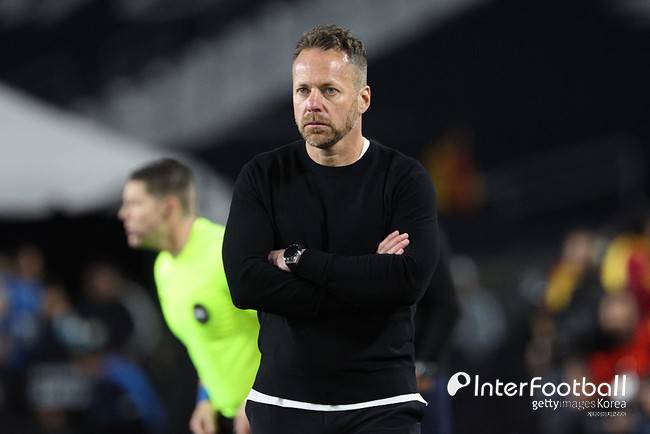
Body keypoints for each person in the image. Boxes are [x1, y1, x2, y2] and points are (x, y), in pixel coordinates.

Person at [222, 24, 439, 434]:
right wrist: (365, 282)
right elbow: (245, 284)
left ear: (363, 98)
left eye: (329, 90)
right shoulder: (262, 175)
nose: (313, 104)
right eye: (303, 90)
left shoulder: (404, 179)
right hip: (282, 404)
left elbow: (407, 281)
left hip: (381, 405)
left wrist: (298, 259)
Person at [118, 159, 260, 434]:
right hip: (230, 419)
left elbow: (291, 332)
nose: (123, 214)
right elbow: (202, 343)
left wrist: (261, 396)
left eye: (134, 203)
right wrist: (206, 399)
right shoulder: (163, 267)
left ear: (169, 207)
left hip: (276, 413)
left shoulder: (226, 252)